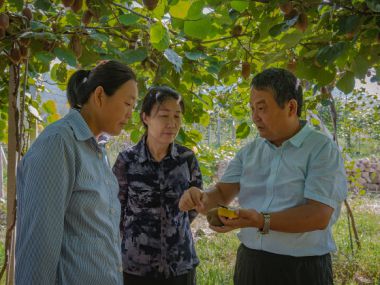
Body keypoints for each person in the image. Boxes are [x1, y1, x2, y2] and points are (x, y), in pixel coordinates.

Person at [179, 68, 348, 285]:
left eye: (261, 108)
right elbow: (222, 192)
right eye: (252, 109)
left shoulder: (321, 149)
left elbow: (318, 215)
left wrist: (261, 220)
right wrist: (200, 198)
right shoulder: (250, 152)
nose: (254, 117)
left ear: (291, 107)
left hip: (301, 269)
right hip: (251, 265)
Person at [15, 60, 138, 284]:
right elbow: (39, 243)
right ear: (100, 96)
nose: (131, 114)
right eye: (127, 103)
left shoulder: (96, 149)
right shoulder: (58, 143)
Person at [113, 86, 202, 285]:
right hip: (137, 266)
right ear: (146, 118)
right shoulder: (127, 160)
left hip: (180, 264)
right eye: (164, 116)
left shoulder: (186, 159)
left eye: (177, 117)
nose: (172, 124)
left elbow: (195, 206)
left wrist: (174, 227)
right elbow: (115, 209)